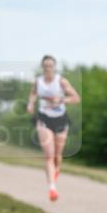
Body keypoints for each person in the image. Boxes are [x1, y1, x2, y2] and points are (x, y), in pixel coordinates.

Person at [26, 56, 80, 201]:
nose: (48, 68)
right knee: (49, 155)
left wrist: (61, 100)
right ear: (42, 67)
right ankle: (52, 188)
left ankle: (56, 170)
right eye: (45, 65)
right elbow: (33, 93)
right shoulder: (38, 82)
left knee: (57, 155)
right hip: (44, 118)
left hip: (60, 119)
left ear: (55, 67)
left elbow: (76, 98)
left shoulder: (61, 81)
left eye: (50, 65)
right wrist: (30, 104)